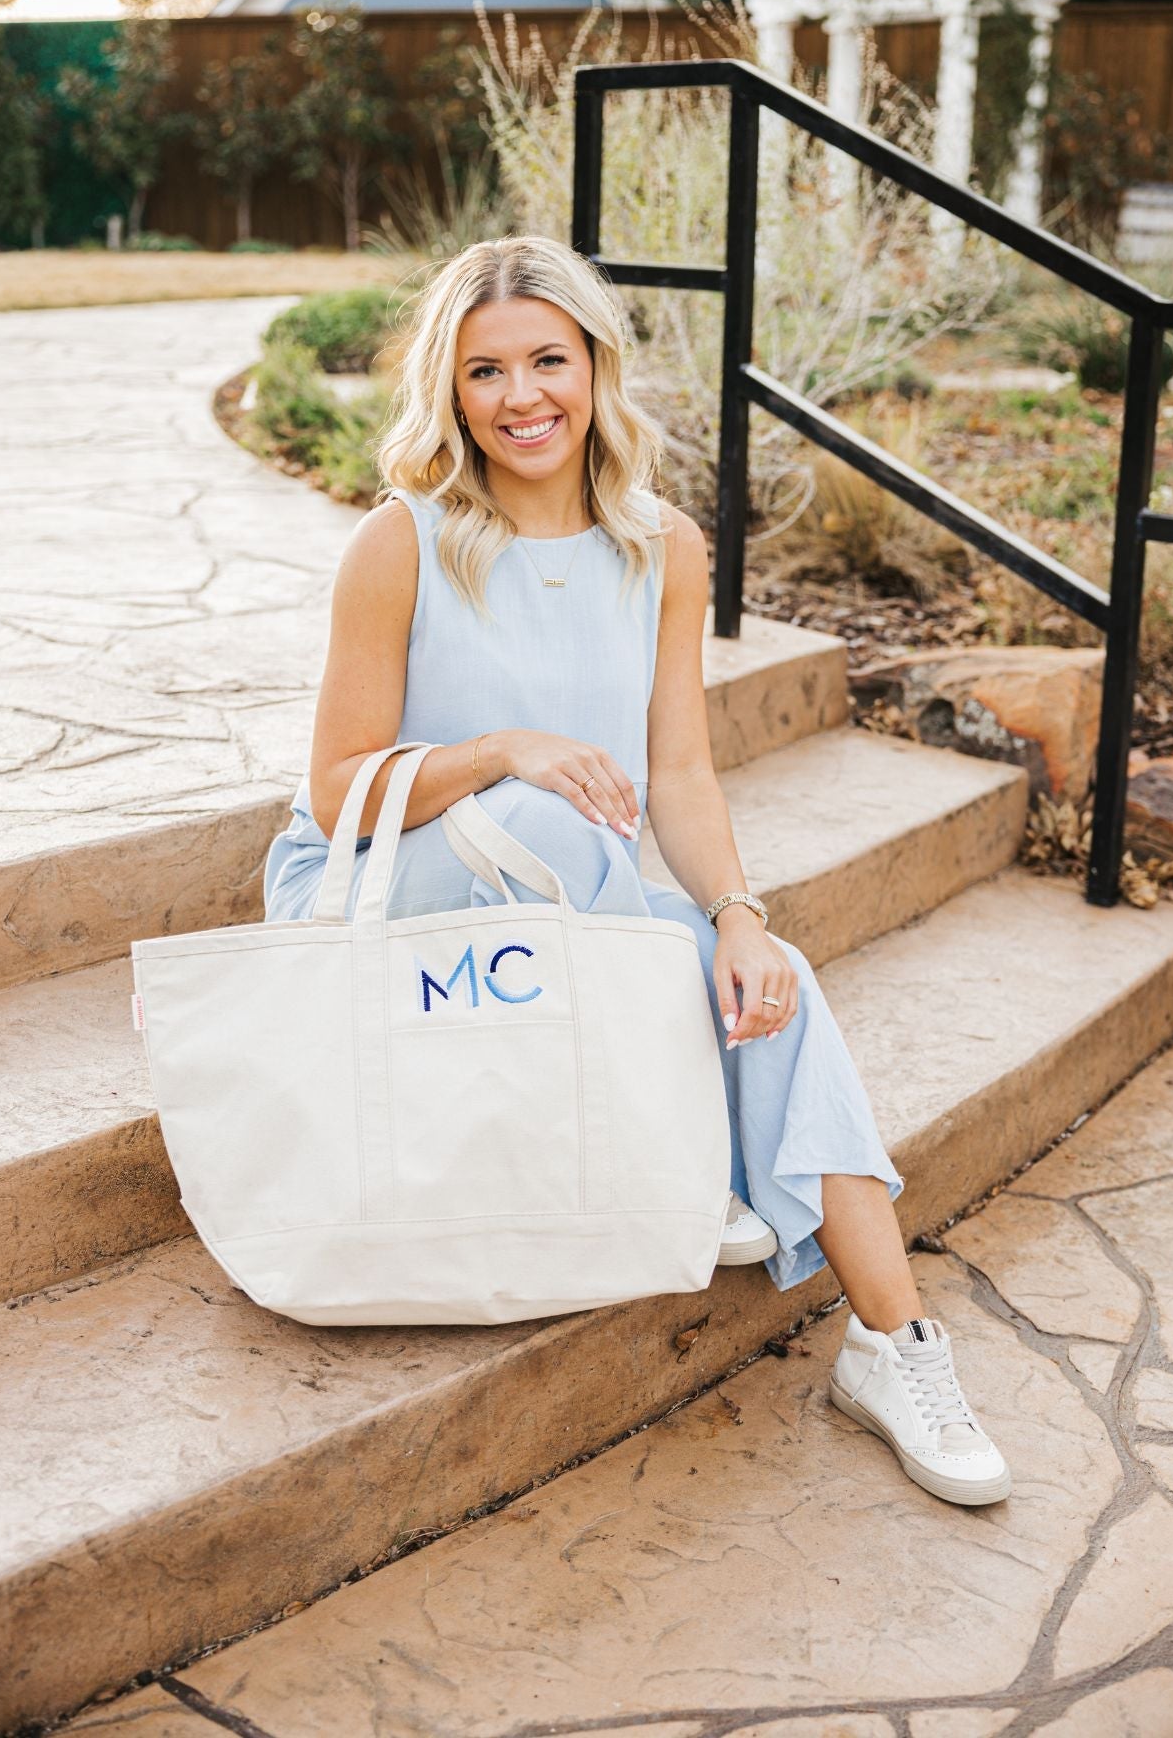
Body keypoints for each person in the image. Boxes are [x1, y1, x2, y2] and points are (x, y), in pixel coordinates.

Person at [263, 234, 1010, 1508]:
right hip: (388, 883)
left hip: (575, 898)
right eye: (485, 370)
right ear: (449, 389)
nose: (522, 397)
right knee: (559, 819)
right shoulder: (402, 541)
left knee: (770, 983)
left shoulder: (661, 546)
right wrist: (502, 751)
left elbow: (679, 777)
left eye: (549, 360)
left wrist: (738, 916)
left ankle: (896, 1342)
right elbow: (338, 792)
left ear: (598, 368)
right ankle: (694, 1163)